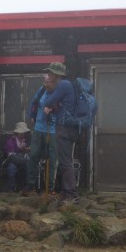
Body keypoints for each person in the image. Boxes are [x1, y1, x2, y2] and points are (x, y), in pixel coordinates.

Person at [41, 62, 79, 205]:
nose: (48, 75)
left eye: (50, 73)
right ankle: (66, 192)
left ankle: (71, 195)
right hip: (70, 127)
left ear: (57, 74)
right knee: (65, 161)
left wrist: (49, 101)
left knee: (65, 162)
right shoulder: (68, 85)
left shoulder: (63, 85)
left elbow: (49, 101)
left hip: (65, 128)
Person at [21, 79, 57, 194]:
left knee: (51, 159)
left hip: (53, 130)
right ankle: (31, 184)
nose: (45, 85)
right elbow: (34, 102)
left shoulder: (59, 93)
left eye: (48, 83)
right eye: (44, 82)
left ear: (54, 83)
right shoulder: (41, 91)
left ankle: (50, 186)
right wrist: (32, 115)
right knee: (33, 155)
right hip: (38, 128)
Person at [4, 122, 30, 192]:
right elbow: (10, 155)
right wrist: (21, 149)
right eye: (21, 132)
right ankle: (11, 188)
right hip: (14, 160)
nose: (23, 134)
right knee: (11, 169)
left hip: (24, 159)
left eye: (24, 132)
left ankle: (27, 186)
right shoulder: (10, 141)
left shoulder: (26, 140)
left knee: (28, 165)